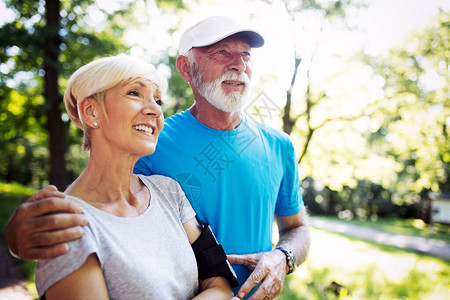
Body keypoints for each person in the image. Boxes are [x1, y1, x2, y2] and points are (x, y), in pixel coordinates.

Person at [5, 16, 310, 300]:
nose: (238, 64)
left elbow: (297, 228)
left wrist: (283, 257)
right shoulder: (147, 142)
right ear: (186, 69)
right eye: (221, 53)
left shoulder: (278, 145)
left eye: (246, 55)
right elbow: (99, 204)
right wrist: (19, 239)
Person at [29, 54, 236, 299]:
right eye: (134, 93)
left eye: (157, 100)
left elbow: (220, 283)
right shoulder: (66, 226)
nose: (155, 112)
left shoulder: (169, 191)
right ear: (91, 111)